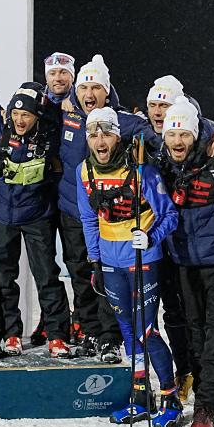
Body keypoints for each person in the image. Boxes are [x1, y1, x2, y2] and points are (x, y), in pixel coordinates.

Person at [77, 107, 183, 427]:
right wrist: (95, 261)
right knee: (127, 332)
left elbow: (171, 215)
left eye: (106, 133)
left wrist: (150, 235)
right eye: (93, 134)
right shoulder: (83, 171)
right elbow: (88, 219)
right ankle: (141, 397)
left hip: (143, 260)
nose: (100, 140)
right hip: (110, 263)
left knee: (145, 331)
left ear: (117, 135)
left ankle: (171, 398)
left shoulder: (142, 172)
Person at [155, 98, 214, 427]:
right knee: (195, 331)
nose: (178, 141)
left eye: (185, 135)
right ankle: (207, 390)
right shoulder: (161, 161)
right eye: (172, 134)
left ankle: (206, 405)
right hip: (183, 263)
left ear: (196, 135)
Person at [57, 55, 147, 363]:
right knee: (80, 274)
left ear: (106, 92)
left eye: (96, 87)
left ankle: (110, 337)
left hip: (109, 216)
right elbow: (24, 111)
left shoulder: (121, 120)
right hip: (72, 211)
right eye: (84, 87)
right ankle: (89, 331)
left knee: (106, 276)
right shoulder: (64, 115)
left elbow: (159, 133)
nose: (89, 93)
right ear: (76, 91)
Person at [0, 82, 72, 358]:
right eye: (16, 113)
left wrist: (63, 104)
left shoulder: (51, 134)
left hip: (37, 216)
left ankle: (58, 335)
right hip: (2, 217)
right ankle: (11, 333)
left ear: (37, 116)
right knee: (4, 279)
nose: (20, 120)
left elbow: (68, 115)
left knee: (47, 276)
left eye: (26, 115)